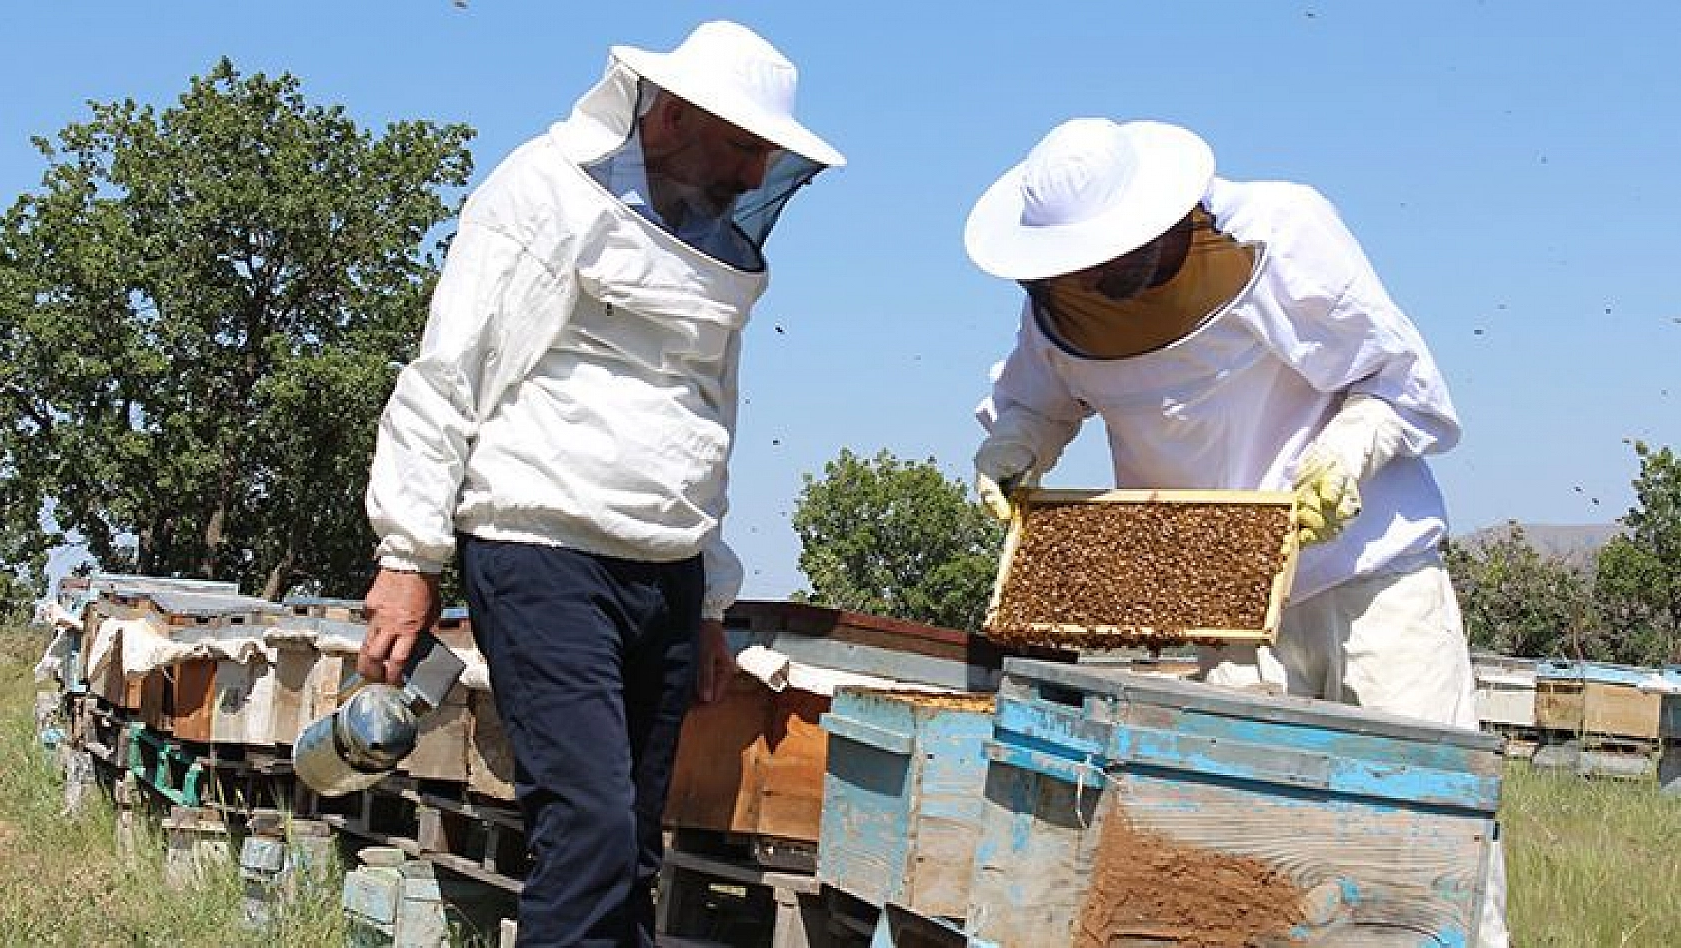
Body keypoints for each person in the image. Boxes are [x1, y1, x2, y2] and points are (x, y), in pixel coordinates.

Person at [354, 21, 844, 947]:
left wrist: (708, 599)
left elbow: (703, 422)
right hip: (542, 554)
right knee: (589, 827)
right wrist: (409, 554)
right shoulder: (539, 192)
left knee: (632, 851)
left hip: (664, 573)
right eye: (743, 146)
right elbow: (447, 373)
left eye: (765, 155)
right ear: (668, 119)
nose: (752, 175)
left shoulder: (714, 250)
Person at [962, 118, 1507, 945]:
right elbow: (1038, 398)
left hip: (1372, 587)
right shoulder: (1060, 304)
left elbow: (1403, 385)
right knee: (1248, 861)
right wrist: (1014, 447)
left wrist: (1346, 452)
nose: (1096, 280)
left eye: (1108, 261)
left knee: (1429, 833)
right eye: (1076, 269)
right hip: (1227, 617)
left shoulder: (1281, 233)